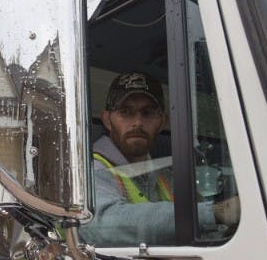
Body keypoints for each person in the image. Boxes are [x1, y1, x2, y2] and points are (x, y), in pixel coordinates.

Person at [80, 72, 234, 247]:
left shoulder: (168, 177)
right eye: (126, 112)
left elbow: (208, 230)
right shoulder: (90, 171)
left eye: (147, 113)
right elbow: (100, 226)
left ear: (162, 122)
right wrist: (216, 213)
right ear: (107, 120)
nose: (137, 122)